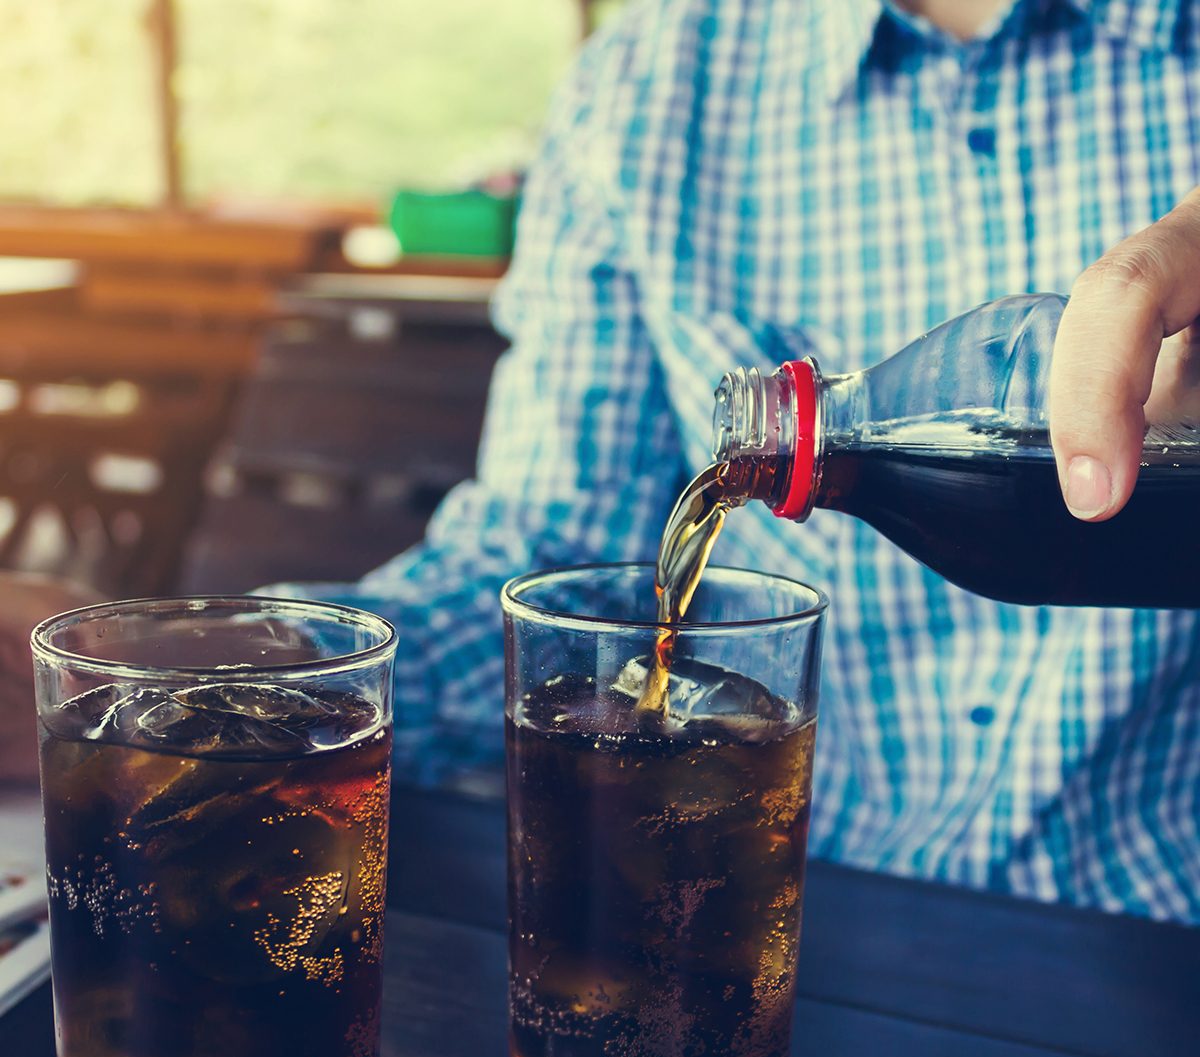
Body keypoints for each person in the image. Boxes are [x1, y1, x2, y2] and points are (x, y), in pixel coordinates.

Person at [3, 0, 1199, 920]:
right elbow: (545, 565)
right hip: (806, 939)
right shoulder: (653, 79)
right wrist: (187, 668)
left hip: (1160, 916)